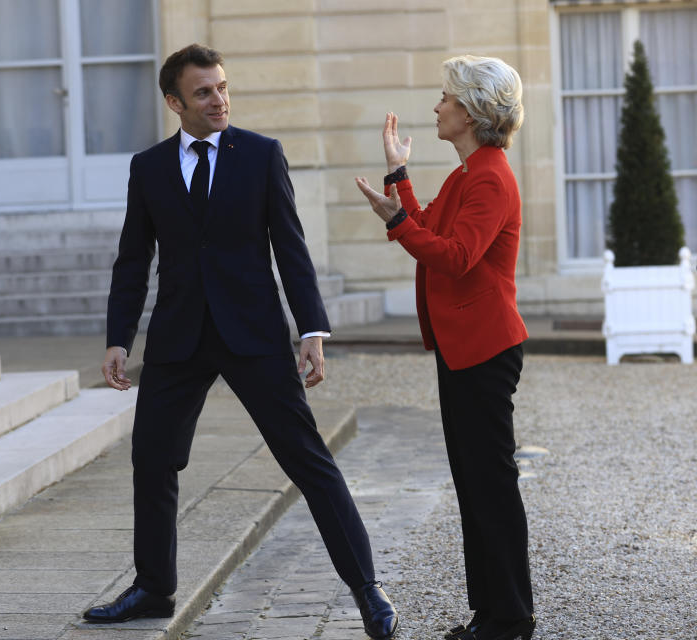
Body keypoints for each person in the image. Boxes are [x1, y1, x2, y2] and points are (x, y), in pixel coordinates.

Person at [82, 44, 398, 640]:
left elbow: (291, 248)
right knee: (151, 458)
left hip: (252, 335)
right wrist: (118, 338)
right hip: (177, 338)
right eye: (203, 92)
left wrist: (311, 329)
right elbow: (132, 260)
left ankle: (368, 590)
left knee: (309, 461)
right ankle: (153, 587)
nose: (219, 99)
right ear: (175, 102)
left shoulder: (260, 156)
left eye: (223, 87)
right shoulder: (147, 167)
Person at [355, 55, 535, 640]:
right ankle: (493, 613)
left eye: (445, 98)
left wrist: (398, 222)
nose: (436, 107)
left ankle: (508, 618)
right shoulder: (468, 172)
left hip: (483, 350)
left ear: (473, 110)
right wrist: (397, 178)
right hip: (466, 349)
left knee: (489, 486)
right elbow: (429, 226)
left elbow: (453, 256)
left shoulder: (488, 174)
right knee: (475, 484)